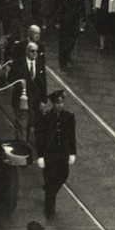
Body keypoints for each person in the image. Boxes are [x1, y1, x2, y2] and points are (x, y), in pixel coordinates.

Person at [33, 89, 76, 222]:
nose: (60, 105)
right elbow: (40, 138)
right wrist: (40, 156)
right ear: (53, 103)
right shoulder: (45, 118)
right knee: (51, 182)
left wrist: (72, 152)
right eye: (57, 103)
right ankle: (49, 209)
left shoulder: (68, 117)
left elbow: (71, 136)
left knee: (63, 175)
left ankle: (49, 191)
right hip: (50, 155)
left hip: (62, 153)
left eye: (62, 102)